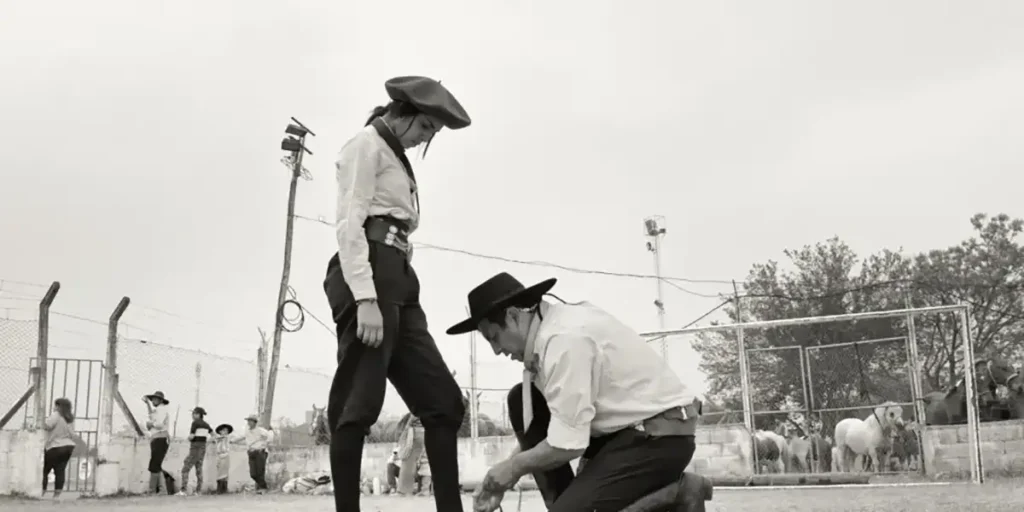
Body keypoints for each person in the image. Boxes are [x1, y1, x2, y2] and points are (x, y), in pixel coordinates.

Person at [322, 75, 471, 512]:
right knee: (358, 402)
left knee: (443, 403)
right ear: (404, 115)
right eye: (425, 128)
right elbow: (349, 223)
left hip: (400, 276)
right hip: (369, 270)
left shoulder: (394, 154)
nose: (425, 138)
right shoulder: (364, 146)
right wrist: (365, 297)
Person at [446, 273, 714, 512]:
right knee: (522, 399)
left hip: (657, 439)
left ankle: (679, 493)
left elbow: (567, 444)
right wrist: (505, 473)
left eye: (494, 337)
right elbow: (561, 426)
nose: (496, 351)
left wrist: (512, 468)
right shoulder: (549, 336)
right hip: (621, 436)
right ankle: (568, 504)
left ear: (514, 316)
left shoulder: (564, 341)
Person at [42, 398, 79, 498]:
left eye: (55, 405)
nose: (54, 407)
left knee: (45, 470)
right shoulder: (70, 418)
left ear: (59, 406)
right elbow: (72, 433)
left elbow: (46, 426)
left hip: (55, 446)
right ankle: (57, 495)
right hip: (68, 446)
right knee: (60, 470)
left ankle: (42, 491)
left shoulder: (56, 415)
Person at [142, 391, 176, 495]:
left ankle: (152, 490)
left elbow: (159, 424)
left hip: (160, 437)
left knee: (154, 465)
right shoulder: (158, 410)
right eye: (152, 399)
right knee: (157, 465)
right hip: (157, 438)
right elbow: (151, 416)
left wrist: (150, 424)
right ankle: (162, 490)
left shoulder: (161, 409)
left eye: (155, 399)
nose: (153, 401)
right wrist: (147, 404)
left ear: (161, 400)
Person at [179, 406, 212, 495]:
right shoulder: (206, 424)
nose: (192, 415)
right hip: (202, 448)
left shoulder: (195, 423)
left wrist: (188, 439)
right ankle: (198, 491)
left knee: (185, 468)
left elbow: (191, 436)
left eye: (193, 414)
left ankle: (183, 490)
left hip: (195, 448)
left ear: (198, 414)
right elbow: (213, 435)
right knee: (199, 469)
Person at [242, 415, 271, 493]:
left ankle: (263, 488)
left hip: (260, 452)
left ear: (255, 422)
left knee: (260, 471)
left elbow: (269, 437)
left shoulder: (260, 430)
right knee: (253, 474)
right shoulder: (247, 431)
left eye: (251, 421)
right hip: (251, 452)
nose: (249, 423)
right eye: (248, 421)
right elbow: (242, 437)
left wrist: (264, 445)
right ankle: (263, 486)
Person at [211, 423, 235, 494]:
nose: (225, 432)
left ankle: (223, 489)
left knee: (224, 472)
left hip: (226, 455)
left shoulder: (228, 438)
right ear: (220, 431)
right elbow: (212, 440)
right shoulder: (218, 439)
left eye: (226, 431)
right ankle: (220, 489)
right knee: (220, 471)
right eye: (223, 430)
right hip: (219, 455)